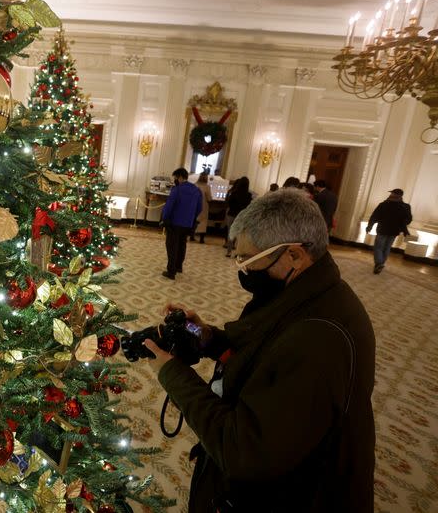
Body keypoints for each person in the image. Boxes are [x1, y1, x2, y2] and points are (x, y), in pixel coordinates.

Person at [144, 189, 376, 513]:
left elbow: (243, 449)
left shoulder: (320, 339)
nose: (242, 269)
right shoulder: (305, 293)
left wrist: (171, 372)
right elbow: (265, 352)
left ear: (294, 255)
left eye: (249, 260)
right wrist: (206, 336)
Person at [160, 167, 202, 280]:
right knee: (182, 245)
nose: (175, 180)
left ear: (179, 177)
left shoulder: (177, 190)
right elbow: (199, 208)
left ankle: (171, 272)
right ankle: (178, 266)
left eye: (175, 178)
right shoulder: (196, 190)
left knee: (172, 246)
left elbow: (169, 206)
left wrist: (164, 218)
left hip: (174, 222)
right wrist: (191, 217)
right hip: (188, 224)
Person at [366, 188, 412, 274]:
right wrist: (402, 226)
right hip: (394, 231)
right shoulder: (405, 207)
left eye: (392, 193)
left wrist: (370, 226)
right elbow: (408, 219)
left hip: (382, 229)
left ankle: (379, 263)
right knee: (387, 248)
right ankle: (381, 264)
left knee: (378, 247)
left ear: (394, 194)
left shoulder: (383, 204)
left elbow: (374, 216)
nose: (390, 195)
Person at [223, 176, 251, 257]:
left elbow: (229, 203)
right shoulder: (248, 195)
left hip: (231, 214)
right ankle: (237, 252)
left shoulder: (234, 193)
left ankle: (229, 252)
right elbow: (248, 207)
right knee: (239, 235)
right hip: (241, 216)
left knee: (230, 233)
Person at [190, 173, 212, 244]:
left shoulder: (194, 185)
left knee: (194, 221)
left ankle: (191, 236)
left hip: (194, 206)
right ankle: (201, 239)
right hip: (203, 206)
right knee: (203, 222)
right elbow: (209, 198)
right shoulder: (207, 187)